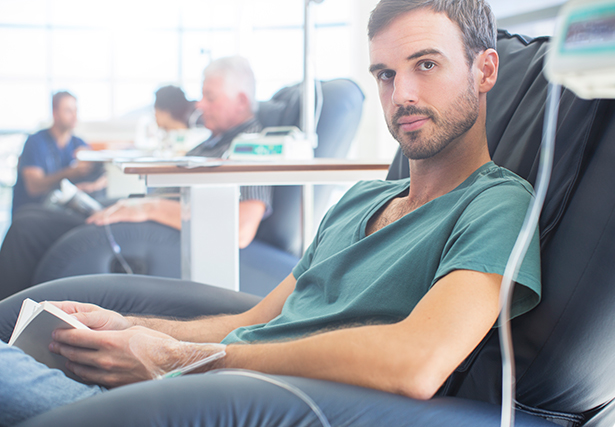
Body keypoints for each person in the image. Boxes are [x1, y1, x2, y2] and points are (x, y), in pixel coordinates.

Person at [0, 0, 542, 424]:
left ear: (485, 70)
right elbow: (250, 324)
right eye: (384, 73)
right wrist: (132, 328)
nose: (401, 94)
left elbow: (417, 364)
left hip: (228, 406)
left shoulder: (496, 205)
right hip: (179, 386)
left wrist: (176, 359)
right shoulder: (359, 200)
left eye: (426, 64)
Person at [0, 57, 272, 300]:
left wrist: (149, 208)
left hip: (155, 235)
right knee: (28, 217)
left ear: (241, 102)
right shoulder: (214, 141)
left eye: (210, 97)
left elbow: (240, 227)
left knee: (27, 231)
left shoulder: (252, 146)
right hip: (144, 218)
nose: (200, 104)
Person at [11, 91, 106, 216]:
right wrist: (70, 173)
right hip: (33, 213)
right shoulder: (35, 142)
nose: (74, 116)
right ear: (55, 114)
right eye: (68, 111)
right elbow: (34, 187)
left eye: (75, 110)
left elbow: (105, 176)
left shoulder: (79, 144)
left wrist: (92, 186)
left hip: (61, 210)